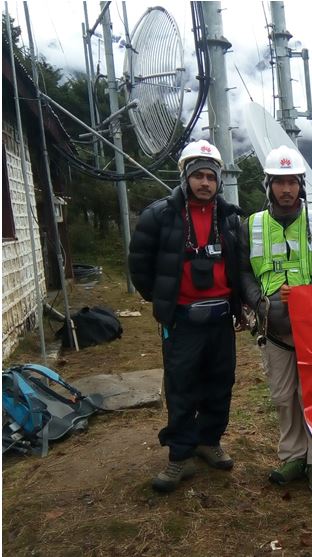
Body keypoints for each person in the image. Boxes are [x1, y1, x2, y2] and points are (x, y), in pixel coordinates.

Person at [128, 139, 245, 493]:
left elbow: (239, 265)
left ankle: (209, 441)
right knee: (181, 386)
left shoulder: (229, 217)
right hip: (182, 320)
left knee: (220, 382)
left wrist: (240, 305)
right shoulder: (160, 215)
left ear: (218, 180)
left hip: (220, 319)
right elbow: (139, 264)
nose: (205, 182)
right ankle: (179, 454)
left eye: (211, 176)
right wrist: (163, 301)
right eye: (198, 175)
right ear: (185, 176)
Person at [239, 145, 312, 494]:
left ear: (301, 185)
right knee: (283, 396)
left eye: (292, 182)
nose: (286, 189)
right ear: (268, 185)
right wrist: (258, 302)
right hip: (274, 328)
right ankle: (293, 456)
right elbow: (243, 271)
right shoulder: (252, 225)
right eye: (279, 182)